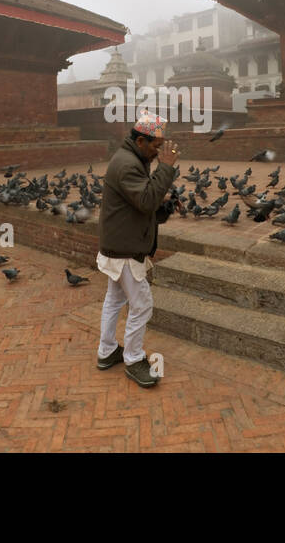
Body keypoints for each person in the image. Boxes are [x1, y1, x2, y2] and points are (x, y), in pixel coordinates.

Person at [95, 110, 180, 388]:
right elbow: (145, 201)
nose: (159, 152)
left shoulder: (132, 159)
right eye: (156, 146)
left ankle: (107, 351)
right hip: (125, 250)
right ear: (141, 141)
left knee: (115, 299)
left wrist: (163, 203)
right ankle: (133, 359)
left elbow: (141, 203)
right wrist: (166, 168)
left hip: (119, 243)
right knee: (142, 305)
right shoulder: (128, 164)